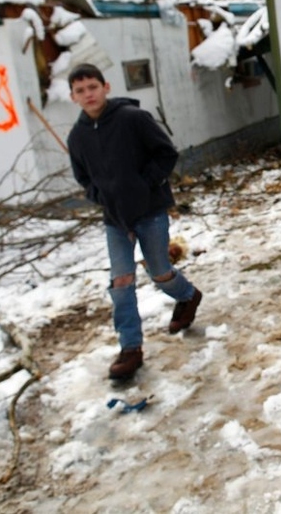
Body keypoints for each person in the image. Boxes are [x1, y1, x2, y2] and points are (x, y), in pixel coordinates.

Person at [67, 63, 202, 380]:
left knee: (159, 273)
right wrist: (99, 195)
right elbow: (83, 177)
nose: (88, 95)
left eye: (92, 87)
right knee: (121, 282)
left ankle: (187, 295)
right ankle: (130, 349)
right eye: (80, 90)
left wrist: (145, 185)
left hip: (150, 211)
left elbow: (166, 153)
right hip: (114, 220)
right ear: (72, 97)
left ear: (106, 87)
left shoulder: (133, 119)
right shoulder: (77, 137)